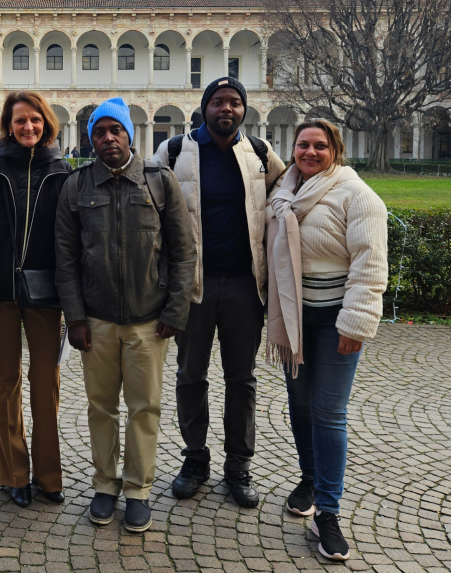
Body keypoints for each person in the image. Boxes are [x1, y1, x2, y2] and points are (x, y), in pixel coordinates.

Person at [55, 97, 196, 532]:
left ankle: (137, 490)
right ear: (90, 138)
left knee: (144, 408)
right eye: (99, 132)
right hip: (95, 320)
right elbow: (65, 258)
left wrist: (175, 309)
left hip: (147, 319)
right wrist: (74, 318)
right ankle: (104, 485)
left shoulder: (159, 181)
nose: (108, 138)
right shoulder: (77, 186)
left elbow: (184, 251)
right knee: (100, 407)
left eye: (115, 130)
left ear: (129, 135)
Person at [152, 77, 286, 507]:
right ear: (203, 107)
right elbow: (147, 205)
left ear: (243, 110)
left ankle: (238, 465)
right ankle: (194, 459)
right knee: (191, 375)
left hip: (246, 286)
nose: (225, 109)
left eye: (234, 103)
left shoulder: (261, 154)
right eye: (217, 102)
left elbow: (291, 193)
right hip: (193, 286)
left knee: (241, 379)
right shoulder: (175, 151)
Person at [267, 118, 387, 560]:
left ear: (335, 149)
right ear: (292, 148)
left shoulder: (357, 195)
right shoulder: (284, 193)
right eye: (303, 145)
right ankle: (310, 479)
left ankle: (329, 513)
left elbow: (370, 263)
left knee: (329, 411)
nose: (310, 152)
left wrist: (355, 324)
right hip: (295, 316)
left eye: (320, 145)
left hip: (336, 318)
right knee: (299, 403)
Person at [0, 91, 71, 507]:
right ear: (7, 126)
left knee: (46, 383)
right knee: (4, 383)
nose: (28, 127)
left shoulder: (62, 171)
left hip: (46, 294)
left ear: (46, 123)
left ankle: (49, 476)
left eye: (35, 120)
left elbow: (71, 239)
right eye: (19, 121)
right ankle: (14, 474)